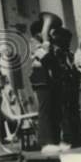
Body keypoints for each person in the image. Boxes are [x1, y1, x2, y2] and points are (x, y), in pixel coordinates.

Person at [28, 14, 60, 154]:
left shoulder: (44, 43)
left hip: (47, 79)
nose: (50, 33)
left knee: (51, 110)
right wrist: (47, 44)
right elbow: (45, 58)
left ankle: (52, 140)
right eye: (48, 29)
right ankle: (45, 142)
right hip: (41, 80)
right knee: (45, 110)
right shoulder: (34, 43)